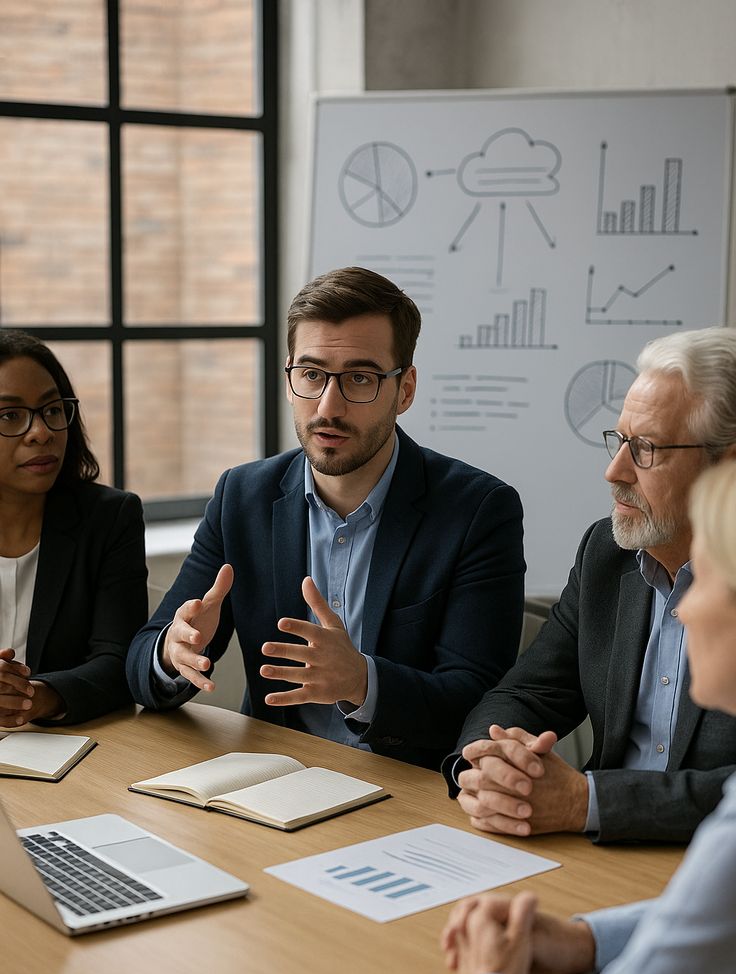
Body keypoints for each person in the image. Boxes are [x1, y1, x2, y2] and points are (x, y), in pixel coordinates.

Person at [126, 267, 525, 769]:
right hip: (276, 779)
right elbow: (140, 661)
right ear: (290, 376)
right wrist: (172, 651)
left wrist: (362, 681)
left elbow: (479, 701)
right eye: (312, 375)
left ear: (405, 390)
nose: (328, 407)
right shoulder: (242, 496)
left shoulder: (478, 510)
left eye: (360, 378)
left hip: (406, 789)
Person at [434, 456, 736, 974]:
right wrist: (589, 940)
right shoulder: (609, 553)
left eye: (706, 579)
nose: (681, 612)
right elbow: (529, 688)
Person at [446, 327, 736, 841]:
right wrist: (488, 766)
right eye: (620, 439)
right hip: (597, 856)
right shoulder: (607, 553)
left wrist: (588, 802)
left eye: (645, 448)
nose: (614, 470)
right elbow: (529, 692)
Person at [0, 330, 148, 726]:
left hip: (60, 749)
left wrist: (36, 698)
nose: (41, 432)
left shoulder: (110, 517)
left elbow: (120, 662)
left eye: (52, 409)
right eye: (10, 415)